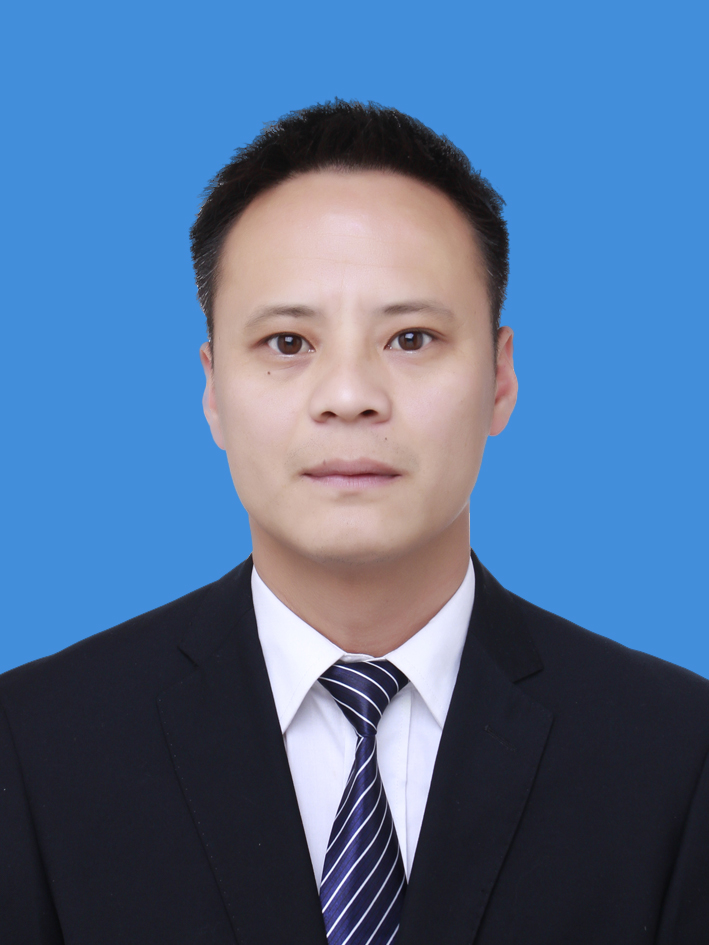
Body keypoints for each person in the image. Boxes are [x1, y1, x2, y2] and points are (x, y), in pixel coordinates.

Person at [1, 101, 707, 945]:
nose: (348, 396)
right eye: (287, 343)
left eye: (410, 338)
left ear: (499, 380)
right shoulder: (37, 744)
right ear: (214, 389)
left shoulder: (674, 753)